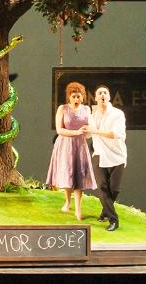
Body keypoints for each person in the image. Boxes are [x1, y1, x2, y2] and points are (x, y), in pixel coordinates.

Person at [45, 81, 97, 220]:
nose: (76, 99)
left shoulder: (87, 110)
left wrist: (88, 131)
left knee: (79, 176)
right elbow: (59, 130)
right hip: (65, 145)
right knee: (67, 174)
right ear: (69, 97)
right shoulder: (62, 109)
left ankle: (78, 209)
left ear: (83, 97)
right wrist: (76, 132)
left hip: (80, 146)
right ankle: (67, 201)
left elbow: (91, 128)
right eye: (73, 96)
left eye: (78, 96)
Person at [87, 84, 127, 231]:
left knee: (114, 189)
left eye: (105, 92)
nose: (102, 95)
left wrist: (95, 131)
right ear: (96, 98)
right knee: (102, 188)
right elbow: (89, 134)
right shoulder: (92, 115)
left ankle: (105, 211)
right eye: (99, 93)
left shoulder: (117, 114)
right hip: (99, 154)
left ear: (109, 97)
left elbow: (114, 134)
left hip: (117, 155)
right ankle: (113, 220)